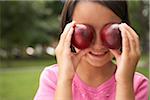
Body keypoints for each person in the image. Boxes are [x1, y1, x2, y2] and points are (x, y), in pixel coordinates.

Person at [34, 0, 148, 100]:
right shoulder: (53, 79)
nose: (98, 45)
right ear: (68, 31)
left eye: (110, 32)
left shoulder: (135, 84)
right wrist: (65, 80)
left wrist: (124, 82)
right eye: (84, 32)